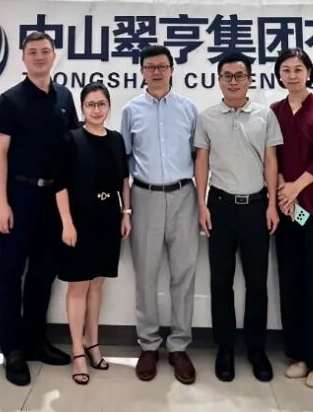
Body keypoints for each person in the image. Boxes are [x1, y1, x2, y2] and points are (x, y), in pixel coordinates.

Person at [0, 31, 78, 386]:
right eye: (33, 52)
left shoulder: (65, 97)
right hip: (19, 196)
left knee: (43, 274)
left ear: (54, 56)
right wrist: (1, 202)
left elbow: (74, 148)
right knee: (11, 274)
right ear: (23, 58)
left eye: (45, 51)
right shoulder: (11, 99)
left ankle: (35, 341)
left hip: (53, 199)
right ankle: (12, 350)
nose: (39, 57)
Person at [194, 50, 282, 383]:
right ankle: (225, 348)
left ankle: (257, 349)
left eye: (240, 76)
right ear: (219, 80)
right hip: (220, 206)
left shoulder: (264, 116)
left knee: (257, 282)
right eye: (227, 76)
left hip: (256, 206)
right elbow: (202, 162)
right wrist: (201, 205)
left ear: (249, 79)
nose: (233, 81)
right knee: (221, 282)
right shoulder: (207, 117)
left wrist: (272, 204)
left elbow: (271, 161)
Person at [119, 45, 200, 384]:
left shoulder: (188, 109)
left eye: (162, 66)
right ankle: (149, 345)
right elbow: (124, 162)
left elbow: (199, 158)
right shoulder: (130, 110)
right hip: (145, 196)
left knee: (184, 274)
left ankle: (179, 345)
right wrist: (126, 209)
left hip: (183, 196)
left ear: (172, 69)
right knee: (146, 275)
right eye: (150, 67)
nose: (156, 72)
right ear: (141, 71)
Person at [269, 48, 313, 389]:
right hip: (288, 210)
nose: (292, 75)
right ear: (278, 75)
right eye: (286, 70)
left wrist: (294, 187)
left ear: (309, 72)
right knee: (292, 281)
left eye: (298, 69)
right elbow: (269, 155)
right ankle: (298, 353)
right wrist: (282, 189)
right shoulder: (274, 111)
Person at [55, 83, 132, 385]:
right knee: (78, 286)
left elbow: (124, 179)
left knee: (97, 285)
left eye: (101, 104)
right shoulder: (71, 139)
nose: (96, 110)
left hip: (107, 219)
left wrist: (126, 213)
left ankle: (93, 342)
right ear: (82, 108)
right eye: (90, 104)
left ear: (108, 106)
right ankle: (77, 350)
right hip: (79, 220)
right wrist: (66, 222)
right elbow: (60, 185)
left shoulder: (116, 139)